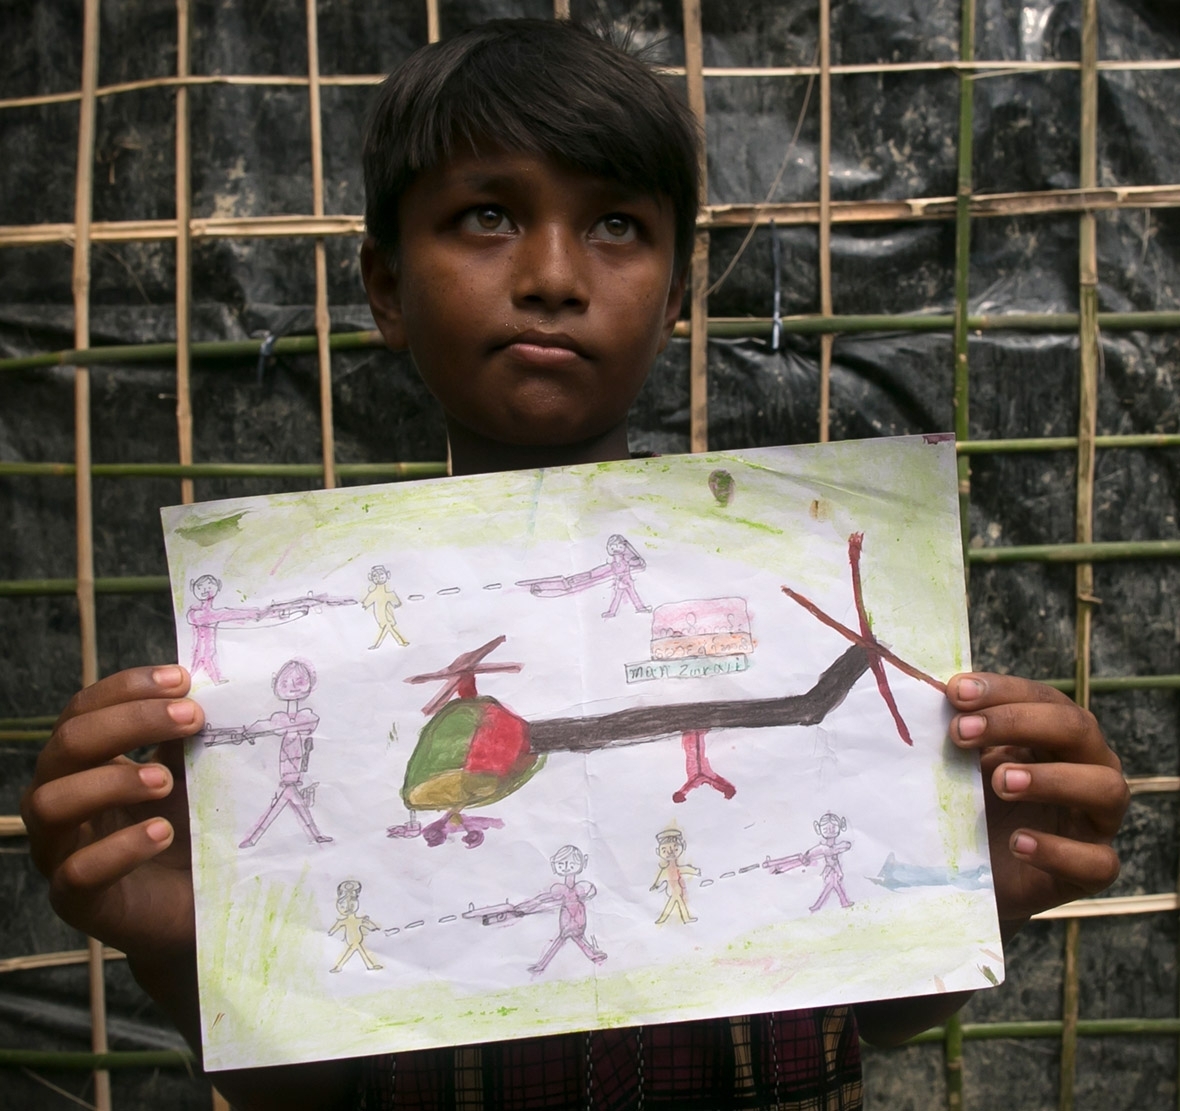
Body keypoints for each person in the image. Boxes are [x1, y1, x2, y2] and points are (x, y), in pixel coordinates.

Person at [20, 17, 1129, 1111]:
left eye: (614, 226)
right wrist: (186, 944)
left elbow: (846, 1016)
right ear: (386, 286)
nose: (552, 273)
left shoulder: (772, 591)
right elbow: (300, 1085)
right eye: (487, 216)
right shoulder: (284, 655)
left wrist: (980, 884)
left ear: (680, 293)